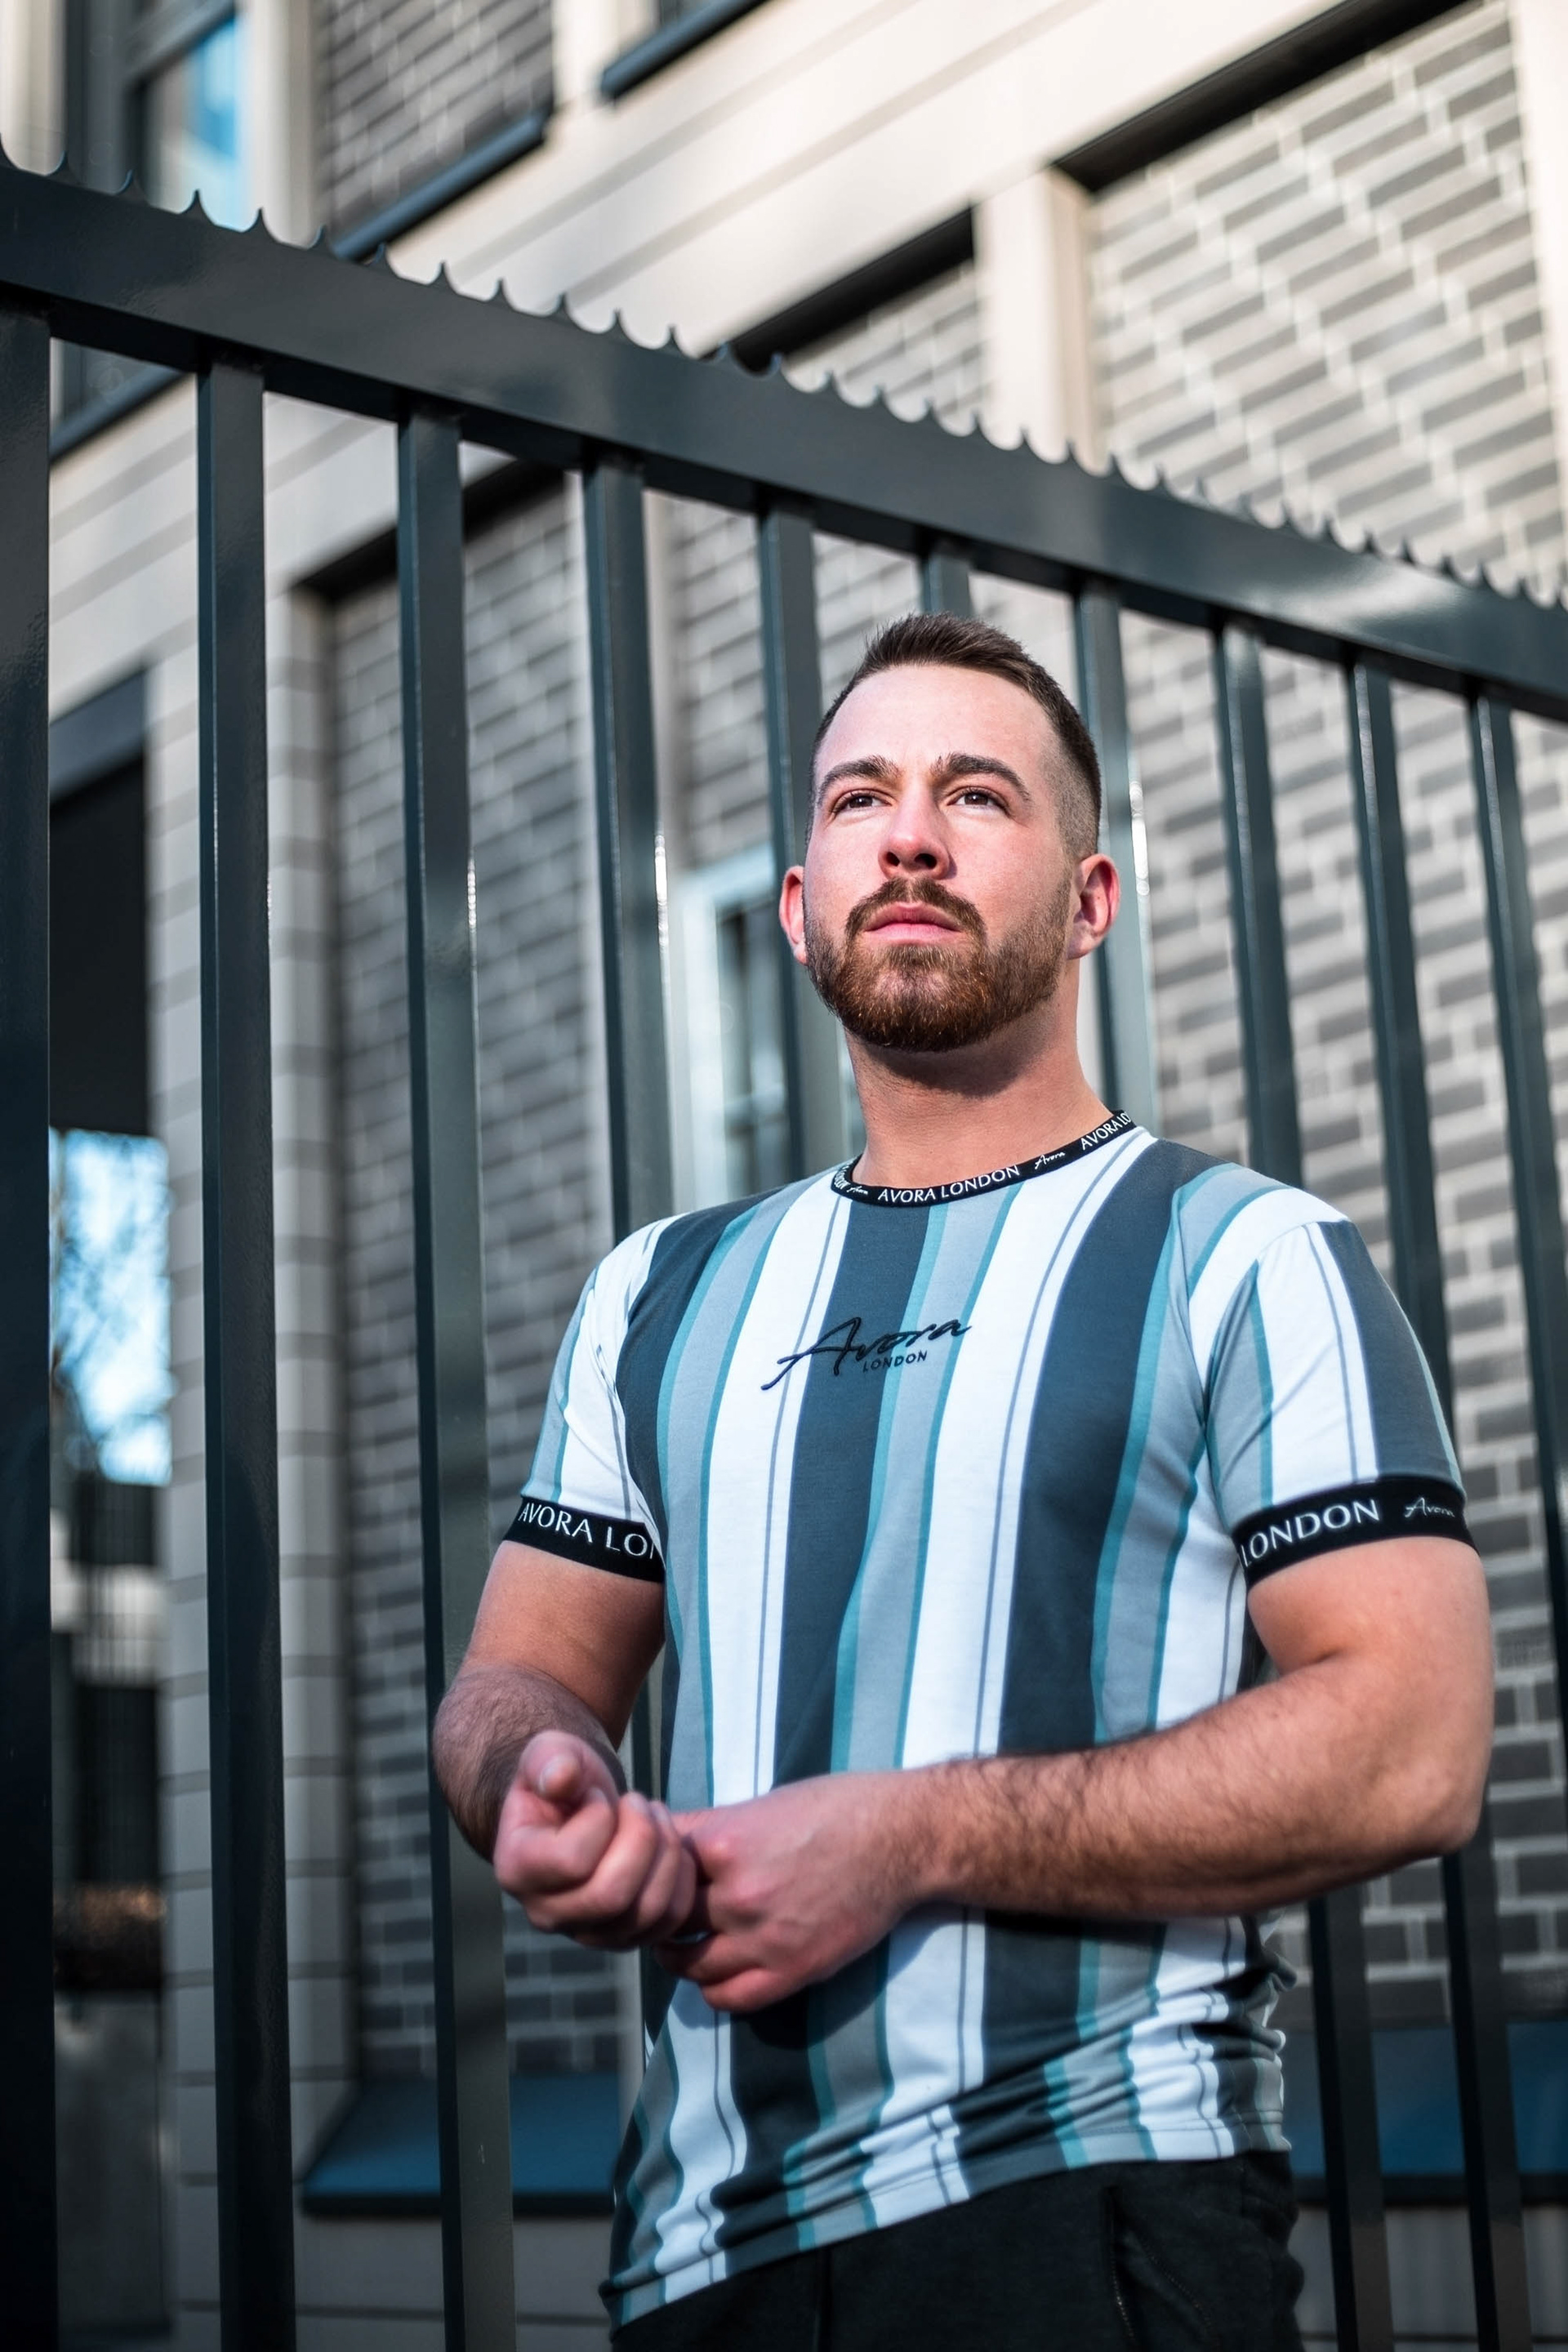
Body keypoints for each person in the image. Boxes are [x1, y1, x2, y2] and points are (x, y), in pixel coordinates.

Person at [433, 613, 1492, 2350]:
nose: (911, 836)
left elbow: (1415, 1744)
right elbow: (514, 1678)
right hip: (699, 2254)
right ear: (798, 906)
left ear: (1090, 899)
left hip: (1092, 2206)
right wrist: (539, 1775)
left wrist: (907, 1839)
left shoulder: (1251, 1257)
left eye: (975, 795)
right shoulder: (656, 1294)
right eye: (862, 797)